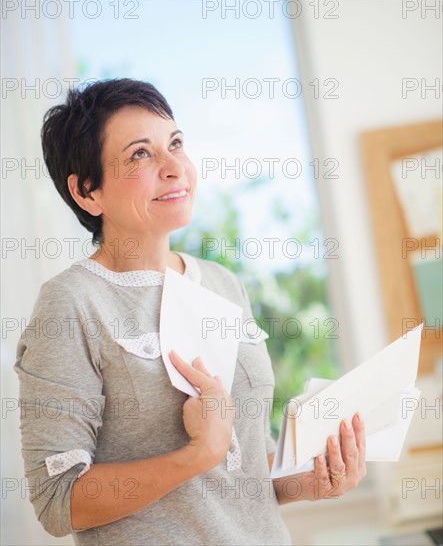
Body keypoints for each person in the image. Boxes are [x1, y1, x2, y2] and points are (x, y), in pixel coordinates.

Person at [15, 78, 367, 545]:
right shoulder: (72, 303)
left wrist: (308, 479)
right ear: (87, 192)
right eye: (140, 153)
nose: (173, 166)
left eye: (175, 143)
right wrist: (196, 454)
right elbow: (59, 500)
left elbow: (239, 463)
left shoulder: (223, 285)